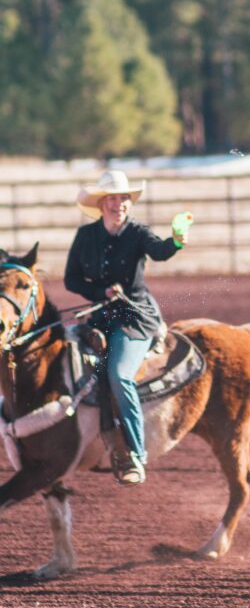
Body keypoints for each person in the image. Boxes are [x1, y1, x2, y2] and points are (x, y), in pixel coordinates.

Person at [64, 170, 190, 486]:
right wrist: (99, 293)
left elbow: (160, 252)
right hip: (100, 314)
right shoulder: (86, 236)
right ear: (102, 203)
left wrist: (176, 240)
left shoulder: (137, 232)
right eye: (113, 198)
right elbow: (71, 279)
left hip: (135, 316)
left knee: (119, 375)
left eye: (123, 198)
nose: (119, 203)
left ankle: (136, 454)